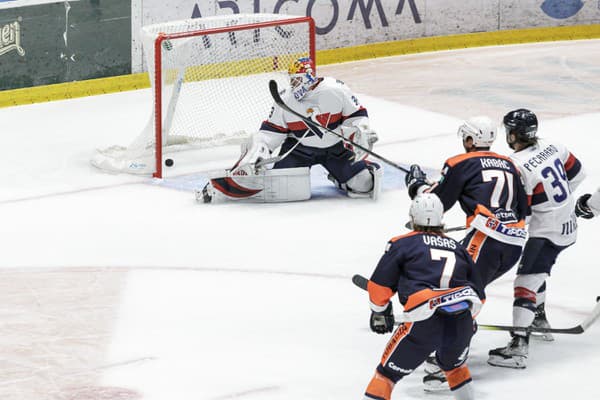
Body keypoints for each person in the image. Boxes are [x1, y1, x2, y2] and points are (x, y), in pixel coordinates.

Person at [404, 116, 528, 389]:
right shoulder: (510, 164)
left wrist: (416, 187)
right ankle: (448, 344)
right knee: (465, 287)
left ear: (470, 140)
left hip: (487, 240)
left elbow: (437, 202)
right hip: (514, 242)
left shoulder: (459, 163)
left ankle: (445, 364)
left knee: (457, 291)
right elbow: (523, 210)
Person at [200, 56, 381, 203]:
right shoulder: (286, 99)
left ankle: (342, 177)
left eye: (296, 80)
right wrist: (259, 148)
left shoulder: (336, 90)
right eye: (292, 80)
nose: (293, 85)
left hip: (336, 149)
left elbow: (357, 116)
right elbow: (271, 132)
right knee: (279, 188)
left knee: (364, 185)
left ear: (309, 78)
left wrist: (360, 130)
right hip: (300, 150)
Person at [487, 109, 586, 369]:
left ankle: (519, 347)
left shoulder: (517, 165)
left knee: (525, 282)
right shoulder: (554, 146)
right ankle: (538, 319)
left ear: (512, 134)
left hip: (546, 233)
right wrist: (558, 204)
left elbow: (525, 214)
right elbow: (578, 174)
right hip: (568, 225)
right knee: (537, 271)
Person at [363, 193, 485, 400]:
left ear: (412, 218)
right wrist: (466, 321)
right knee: (455, 369)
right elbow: (479, 295)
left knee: (386, 375)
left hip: (423, 320)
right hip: (462, 321)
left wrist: (380, 312)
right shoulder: (459, 249)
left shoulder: (401, 244)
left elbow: (378, 288)